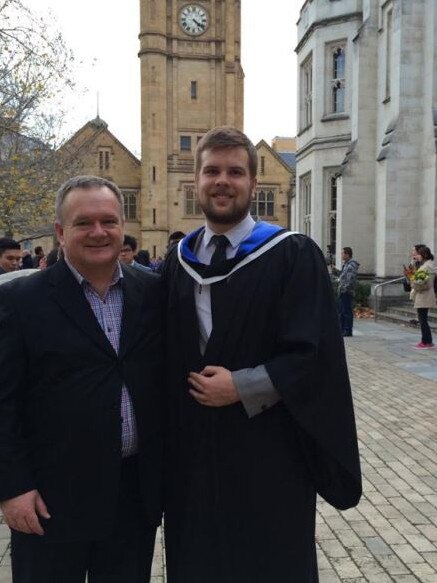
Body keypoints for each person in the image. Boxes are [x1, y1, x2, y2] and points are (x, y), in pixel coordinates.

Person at [162, 126, 361, 582]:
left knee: (270, 560)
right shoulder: (179, 261)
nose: (222, 181)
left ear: (254, 183)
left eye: (235, 171)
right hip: (193, 456)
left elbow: (315, 354)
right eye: (211, 170)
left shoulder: (293, 255)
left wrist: (244, 385)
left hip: (269, 449)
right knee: (198, 561)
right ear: (197, 181)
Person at [0, 175, 163, 582]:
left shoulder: (153, 292)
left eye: (108, 221)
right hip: (50, 501)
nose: (98, 232)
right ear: (60, 231)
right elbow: (3, 401)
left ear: (122, 227)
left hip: (131, 498)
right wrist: (12, 488)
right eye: (83, 222)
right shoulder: (20, 301)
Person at [409, 245, 436, 349]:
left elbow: (420, 282)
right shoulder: (427, 265)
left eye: (418, 254)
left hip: (424, 295)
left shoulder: (426, 267)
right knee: (422, 319)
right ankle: (427, 341)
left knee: (423, 320)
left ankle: (426, 341)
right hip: (425, 295)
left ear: (424, 255)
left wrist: (411, 276)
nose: (417, 256)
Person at [337, 247, 359, 337]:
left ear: (347, 254)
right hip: (343, 291)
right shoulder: (346, 264)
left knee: (346, 312)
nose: (341, 255)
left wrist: (344, 289)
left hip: (346, 292)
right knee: (342, 311)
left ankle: (347, 330)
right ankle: (342, 329)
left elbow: (350, 280)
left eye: (343, 253)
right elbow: (343, 276)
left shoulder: (351, 265)